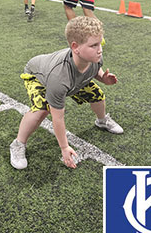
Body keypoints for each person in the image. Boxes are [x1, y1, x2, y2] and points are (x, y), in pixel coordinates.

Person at [9, 16, 123, 170]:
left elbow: (95, 70)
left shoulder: (95, 56)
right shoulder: (58, 77)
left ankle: (102, 121)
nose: (100, 49)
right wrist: (64, 147)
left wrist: (103, 78)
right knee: (42, 109)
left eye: (100, 43)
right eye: (94, 45)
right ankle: (18, 144)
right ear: (75, 47)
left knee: (96, 94)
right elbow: (58, 118)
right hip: (38, 77)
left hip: (70, 79)